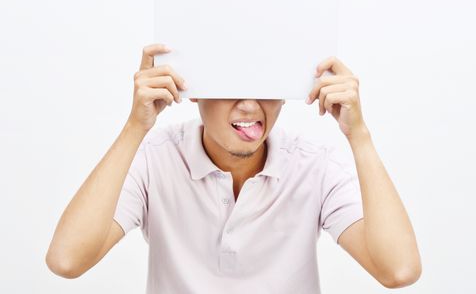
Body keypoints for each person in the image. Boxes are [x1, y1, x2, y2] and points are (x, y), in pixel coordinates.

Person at [45, 44, 422, 293]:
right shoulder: (154, 158)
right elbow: (66, 260)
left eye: (265, 87)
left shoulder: (314, 166)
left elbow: (399, 270)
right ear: (194, 90)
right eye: (230, 85)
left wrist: (359, 136)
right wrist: (135, 127)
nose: (248, 104)